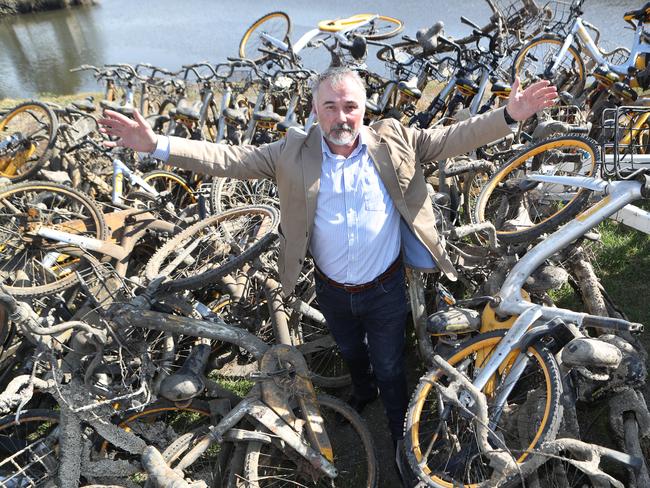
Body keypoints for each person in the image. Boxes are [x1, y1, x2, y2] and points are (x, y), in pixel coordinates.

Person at [99, 66, 556, 484]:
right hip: (331, 288)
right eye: (330, 107)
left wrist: (509, 115)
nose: (342, 116)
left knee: (392, 363)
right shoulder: (291, 152)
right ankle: (361, 391)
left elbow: (456, 136)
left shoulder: (393, 138)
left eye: (351, 106)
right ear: (314, 110)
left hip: (386, 287)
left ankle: (400, 433)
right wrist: (156, 144)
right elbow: (228, 158)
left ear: (365, 109)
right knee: (350, 351)